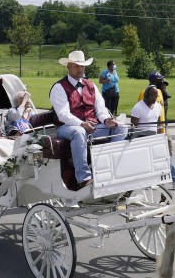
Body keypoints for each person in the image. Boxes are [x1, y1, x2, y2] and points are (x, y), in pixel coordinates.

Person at [50, 50, 126, 188]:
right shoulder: (59, 87)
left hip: (92, 125)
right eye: (77, 66)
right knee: (79, 132)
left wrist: (106, 120)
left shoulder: (91, 85)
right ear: (69, 67)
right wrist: (82, 124)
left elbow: (101, 109)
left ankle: (107, 168)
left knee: (121, 128)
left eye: (82, 66)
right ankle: (83, 178)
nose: (80, 69)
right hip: (67, 127)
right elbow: (63, 114)